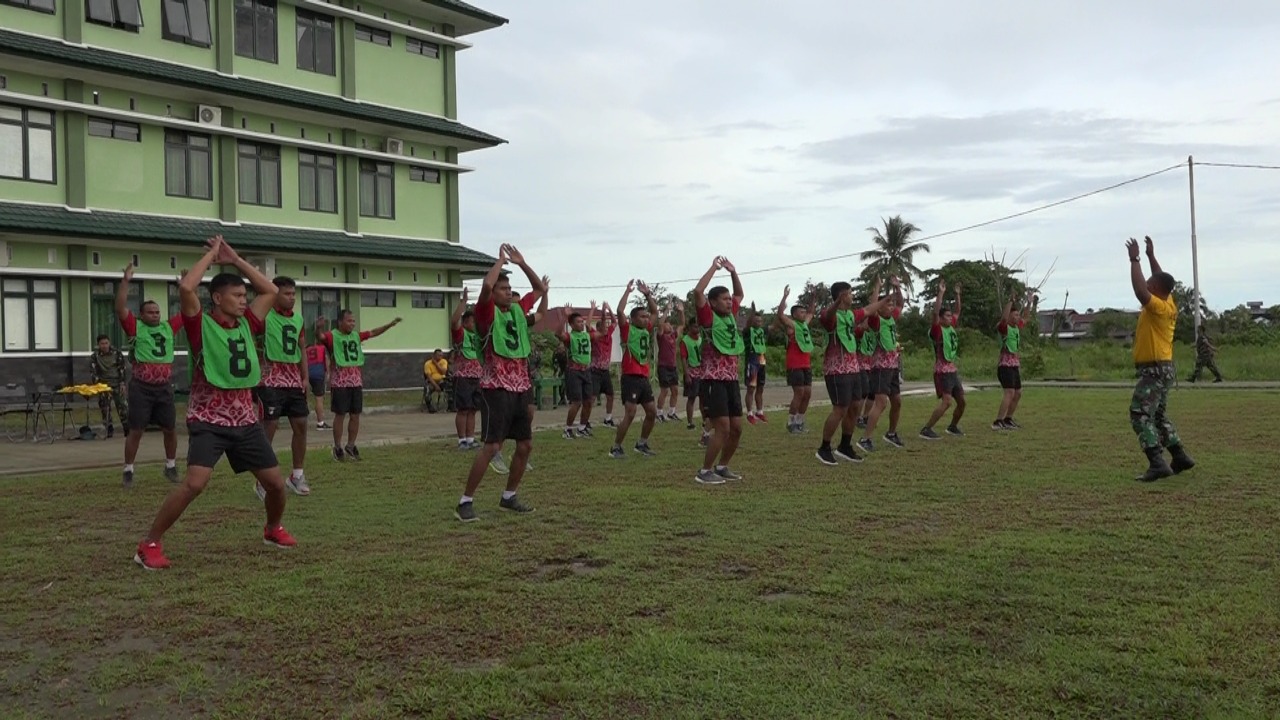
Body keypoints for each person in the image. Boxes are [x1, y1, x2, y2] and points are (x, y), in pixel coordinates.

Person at [133, 236, 295, 570]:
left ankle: (272, 529)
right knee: (194, 484)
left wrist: (235, 259)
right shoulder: (200, 324)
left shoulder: (248, 323)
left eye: (244, 296)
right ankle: (149, 544)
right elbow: (186, 288)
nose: (243, 301)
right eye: (236, 296)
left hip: (244, 419)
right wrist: (211, 255)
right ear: (217, 298)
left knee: (277, 485)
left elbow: (270, 291)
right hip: (209, 418)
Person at [455, 244, 546, 522]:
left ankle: (509, 496)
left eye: (509, 288)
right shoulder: (486, 313)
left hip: (520, 387)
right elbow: (486, 286)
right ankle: (465, 501)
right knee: (492, 447)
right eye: (503, 288)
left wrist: (522, 263)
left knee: (525, 445)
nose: (508, 292)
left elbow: (539, 290)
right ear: (493, 294)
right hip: (496, 389)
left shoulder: (517, 311)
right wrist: (500, 262)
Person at [1127, 236, 1196, 481]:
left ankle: (1157, 463)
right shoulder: (1169, 303)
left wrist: (1135, 259)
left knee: (1139, 413)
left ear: (1156, 290)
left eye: (1150, 284)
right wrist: (1150, 256)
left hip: (1154, 370)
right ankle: (1179, 456)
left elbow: (1140, 291)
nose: (1146, 284)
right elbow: (1160, 278)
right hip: (1164, 368)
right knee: (1157, 415)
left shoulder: (1157, 307)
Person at [111, 265, 183, 487]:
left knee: (170, 428)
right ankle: (128, 469)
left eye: (157, 312)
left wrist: (185, 289)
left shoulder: (168, 328)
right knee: (136, 430)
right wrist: (125, 282)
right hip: (142, 387)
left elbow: (187, 311)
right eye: (150, 312)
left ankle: (171, 465)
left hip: (163, 387)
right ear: (141, 315)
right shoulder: (136, 327)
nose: (155, 315)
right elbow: (120, 308)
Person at [251, 276, 312, 499]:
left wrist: (305, 377)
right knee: (270, 426)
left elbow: (301, 348)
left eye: (294, 294)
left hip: (292, 380)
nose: (292, 298)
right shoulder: (265, 317)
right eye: (287, 294)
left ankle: (296, 476)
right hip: (269, 378)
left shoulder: (298, 319)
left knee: (301, 424)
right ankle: (262, 480)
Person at [815, 279, 884, 465]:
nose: (852, 296)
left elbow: (869, 310)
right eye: (850, 293)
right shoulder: (829, 315)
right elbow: (828, 316)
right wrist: (837, 302)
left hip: (853, 368)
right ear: (842, 295)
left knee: (855, 407)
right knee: (840, 409)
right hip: (837, 369)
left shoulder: (850, 315)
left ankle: (845, 446)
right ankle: (824, 448)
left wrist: (885, 298)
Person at [319, 310, 403, 461]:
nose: (352, 324)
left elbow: (373, 332)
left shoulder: (356, 336)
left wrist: (389, 325)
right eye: (349, 321)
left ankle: (351, 445)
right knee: (340, 414)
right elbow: (321, 337)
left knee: (355, 414)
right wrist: (318, 327)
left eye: (353, 321)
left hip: (355, 381)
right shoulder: (333, 336)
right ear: (340, 322)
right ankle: (337, 447)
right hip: (340, 382)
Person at [692, 256, 746, 484]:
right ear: (712, 303)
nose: (729, 302)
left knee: (737, 428)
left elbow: (739, 294)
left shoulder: (731, 315)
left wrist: (733, 272)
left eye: (728, 299)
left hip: (731, 380)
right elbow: (698, 292)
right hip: (713, 380)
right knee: (722, 428)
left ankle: (722, 466)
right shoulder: (708, 317)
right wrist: (714, 268)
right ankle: (704, 472)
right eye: (724, 299)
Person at [610, 281, 660, 458]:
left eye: (646, 317)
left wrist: (647, 295)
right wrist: (627, 291)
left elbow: (655, 312)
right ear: (633, 319)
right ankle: (616, 447)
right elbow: (619, 311)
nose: (646, 319)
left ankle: (642, 444)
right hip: (631, 377)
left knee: (652, 412)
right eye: (642, 317)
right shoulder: (628, 330)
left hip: (643, 377)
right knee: (630, 414)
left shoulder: (646, 330)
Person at [860, 278, 905, 452]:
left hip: (892, 366)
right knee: (881, 403)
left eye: (892, 304)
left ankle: (891, 434)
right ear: (880, 307)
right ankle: (865, 438)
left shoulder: (891, 318)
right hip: (880, 367)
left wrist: (897, 287)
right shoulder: (876, 321)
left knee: (897, 402)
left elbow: (901, 304)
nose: (892, 307)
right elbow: (872, 308)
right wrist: (877, 287)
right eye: (888, 304)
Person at [920, 280, 966, 439]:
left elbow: (958, 311)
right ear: (940, 318)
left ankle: (953, 426)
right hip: (942, 371)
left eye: (950, 316)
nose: (950, 318)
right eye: (947, 316)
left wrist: (957, 295)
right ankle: (926, 429)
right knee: (947, 402)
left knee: (962, 402)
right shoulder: (937, 330)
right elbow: (935, 314)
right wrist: (940, 293)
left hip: (952, 370)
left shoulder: (950, 327)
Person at [773, 286, 816, 434]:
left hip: (806, 364)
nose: (804, 314)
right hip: (795, 364)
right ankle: (791, 422)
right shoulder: (792, 325)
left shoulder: (804, 325)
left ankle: (800, 421)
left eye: (804, 312)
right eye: (801, 312)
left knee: (807, 394)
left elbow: (811, 313)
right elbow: (780, 315)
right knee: (799, 393)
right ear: (794, 314)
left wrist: (813, 297)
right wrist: (784, 297)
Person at [994, 288, 1036, 430]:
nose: (1018, 317)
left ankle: (1008, 419)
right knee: (1009, 392)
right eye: (1015, 314)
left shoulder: (1017, 327)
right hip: (1005, 365)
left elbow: (1026, 317)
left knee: (1018, 393)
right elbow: (1003, 319)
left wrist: (1029, 303)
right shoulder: (1004, 327)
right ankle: (998, 421)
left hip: (1014, 364)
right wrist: (1010, 302)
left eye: (1018, 315)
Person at [558, 301, 598, 439]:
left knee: (588, 401)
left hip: (586, 371)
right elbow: (558, 333)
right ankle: (567, 429)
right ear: (572, 325)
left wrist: (592, 310)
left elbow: (591, 326)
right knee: (577, 402)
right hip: (574, 371)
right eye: (578, 322)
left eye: (582, 321)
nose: (581, 324)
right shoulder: (570, 337)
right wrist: (565, 316)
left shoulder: (586, 335)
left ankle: (582, 428)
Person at [450, 289, 482, 450]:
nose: (475, 325)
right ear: (465, 323)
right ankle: (461, 440)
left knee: (473, 409)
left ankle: (470, 438)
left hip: (477, 376)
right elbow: (454, 320)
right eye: (472, 322)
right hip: (463, 376)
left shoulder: (479, 336)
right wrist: (463, 302)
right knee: (463, 409)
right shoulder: (461, 335)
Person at [90, 334, 130, 440]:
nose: (104, 346)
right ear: (98, 345)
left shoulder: (117, 354)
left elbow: (122, 369)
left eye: (106, 343)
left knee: (123, 406)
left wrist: (122, 383)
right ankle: (109, 428)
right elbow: (93, 372)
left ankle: (127, 429)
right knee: (105, 408)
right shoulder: (95, 356)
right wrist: (98, 385)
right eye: (102, 344)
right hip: (103, 385)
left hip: (116, 383)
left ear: (109, 343)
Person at [678, 310, 709, 441]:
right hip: (692, 371)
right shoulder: (685, 341)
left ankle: (704, 420)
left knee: (703, 398)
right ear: (690, 327)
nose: (697, 329)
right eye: (695, 326)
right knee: (692, 398)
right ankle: (690, 422)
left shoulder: (701, 339)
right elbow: (683, 358)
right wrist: (687, 374)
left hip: (702, 371)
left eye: (698, 326)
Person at [589, 304, 617, 429]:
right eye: (604, 327)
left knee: (610, 395)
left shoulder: (608, 335)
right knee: (592, 397)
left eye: (606, 327)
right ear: (598, 328)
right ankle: (586, 420)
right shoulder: (595, 336)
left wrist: (610, 309)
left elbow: (614, 322)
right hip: (595, 371)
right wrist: (601, 312)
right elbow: (588, 325)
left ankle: (608, 418)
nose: (606, 328)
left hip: (605, 371)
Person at [742, 304, 769, 424]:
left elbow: (775, 326)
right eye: (756, 320)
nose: (759, 323)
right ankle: (749, 413)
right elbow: (748, 324)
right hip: (752, 359)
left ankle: (759, 411)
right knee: (751, 388)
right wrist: (752, 312)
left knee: (760, 387)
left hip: (762, 358)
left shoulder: (762, 331)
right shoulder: (748, 331)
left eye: (760, 321)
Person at [654, 310, 682, 422]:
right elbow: (660, 324)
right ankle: (659, 413)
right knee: (664, 391)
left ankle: (671, 412)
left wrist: (681, 312)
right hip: (663, 367)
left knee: (675, 390)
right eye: (668, 324)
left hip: (672, 367)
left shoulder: (673, 336)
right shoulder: (661, 336)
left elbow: (682, 324)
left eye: (670, 324)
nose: (670, 326)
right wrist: (667, 310)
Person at [305, 321, 330, 430]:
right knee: (319, 399)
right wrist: (328, 373)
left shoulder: (307, 349)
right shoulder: (322, 348)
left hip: (308, 372)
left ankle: (302, 420)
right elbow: (326, 360)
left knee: (305, 398)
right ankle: (320, 422)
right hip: (318, 373)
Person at [424, 348, 449, 412]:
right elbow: (429, 377)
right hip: (432, 382)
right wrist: (435, 386)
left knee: (449, 387)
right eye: (438, 355)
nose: (440, 357)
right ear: (434, 355)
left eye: (441, 355)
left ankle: (451, 405)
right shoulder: (428, 363)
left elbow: (443, 372)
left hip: (441, 381)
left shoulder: (443, 361)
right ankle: (430, 407)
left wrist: (436, 364)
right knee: (427, 389)